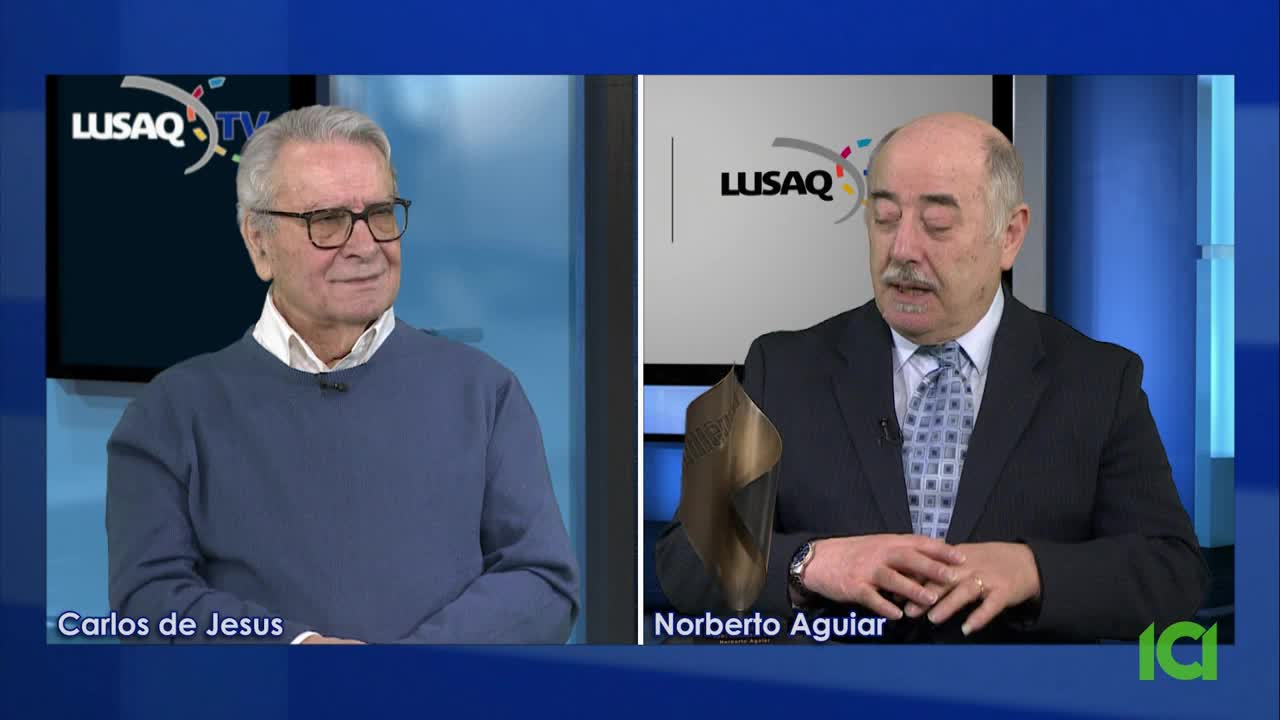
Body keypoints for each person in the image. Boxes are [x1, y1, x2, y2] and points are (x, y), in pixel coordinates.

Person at [655, 112, 1206, 642]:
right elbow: (686, 553)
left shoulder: (1100, 380)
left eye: (937, 223)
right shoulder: (779, 366)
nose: (902, 250)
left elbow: (1172, 573)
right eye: (885, 218)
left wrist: (1034, 570)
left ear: (1010, 235)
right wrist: (810, 562)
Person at [106, 106, 579, 644]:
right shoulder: (168, 413)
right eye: (326, 221)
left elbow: (542, 582)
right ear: (258, 243)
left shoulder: (486, 393)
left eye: (380, 213)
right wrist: (296, 652)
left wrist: (400, 675)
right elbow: (146, 600)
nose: (365, 245)